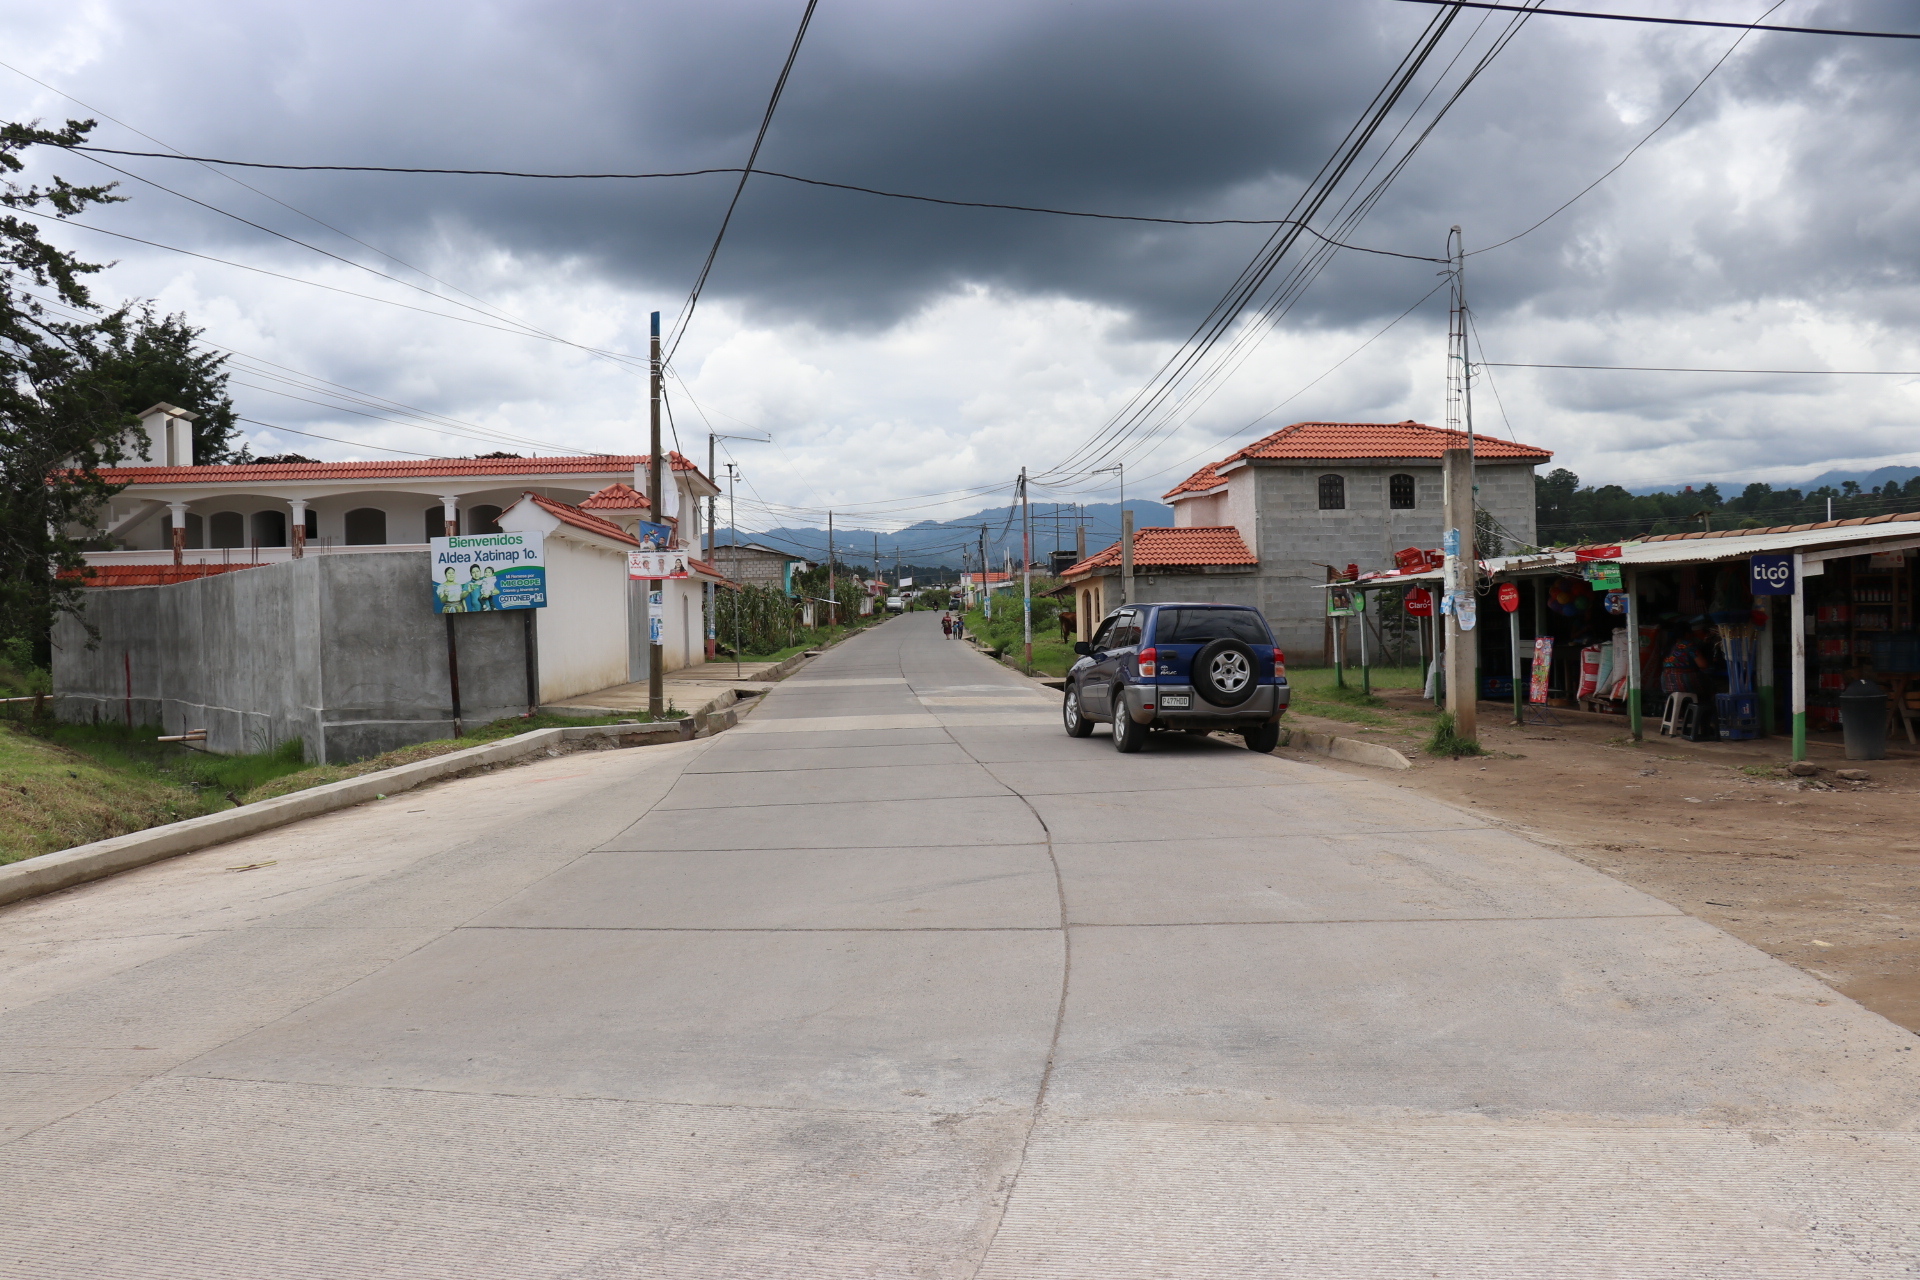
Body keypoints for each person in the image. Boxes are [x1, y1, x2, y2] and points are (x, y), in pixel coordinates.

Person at [1660, 618, 1714, 695]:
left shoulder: (1667, 647)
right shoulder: (1688, 645)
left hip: (1666, 683)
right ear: (1686, 633)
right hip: (1684, 682)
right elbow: (1703, 665)